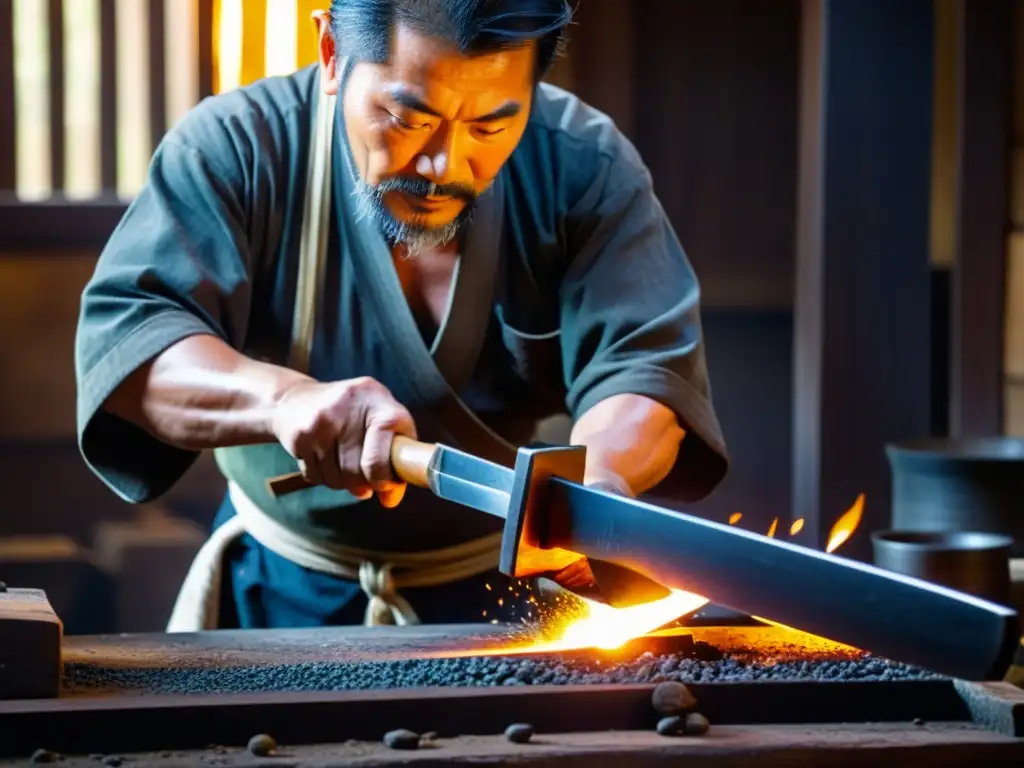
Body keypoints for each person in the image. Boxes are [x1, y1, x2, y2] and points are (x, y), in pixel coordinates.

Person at [74, 0, 729, 631]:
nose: (444, 165)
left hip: (515, 608)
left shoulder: (582, 165)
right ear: (331, 52)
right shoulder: (240, 146)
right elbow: (134, 349)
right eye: (407, 118)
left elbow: (644, 371)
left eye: (490, 126)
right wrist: (283, 401)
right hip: (279, 589)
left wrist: (598, 479)